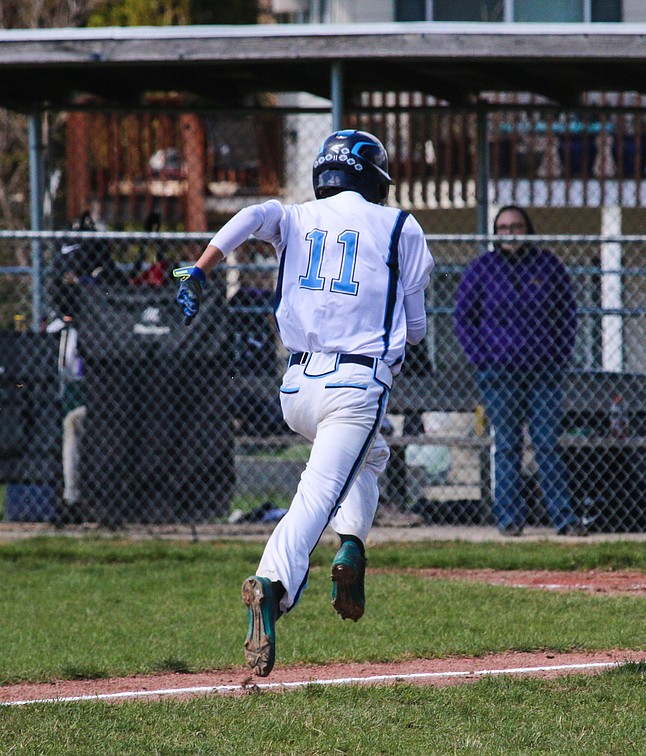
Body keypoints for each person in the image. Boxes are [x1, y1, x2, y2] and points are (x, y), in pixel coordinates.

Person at [174, 129, 434, 677]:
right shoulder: (399, 225)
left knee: (368, 460)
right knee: (318, 493)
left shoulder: (294, 216)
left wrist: (201, 267)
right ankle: (274, 584)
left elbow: (248, 217)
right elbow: (414, 330)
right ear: (373, 177)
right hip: (356, 387)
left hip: (296, 387)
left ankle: (353, 549)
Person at [453, 205, 585, 537]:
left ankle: (563, 518)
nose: (511, 233)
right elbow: (463, 318)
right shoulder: (483, 269)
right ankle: (510, 519)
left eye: (517, 226)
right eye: (504, 227)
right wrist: (481, 357)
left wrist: (559, 356)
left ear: (528, 229)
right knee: (508, 445)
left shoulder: (548, 265)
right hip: (498, 374)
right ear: (496, 233)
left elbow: (567, 314)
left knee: (547, 444)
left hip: (543, 373)